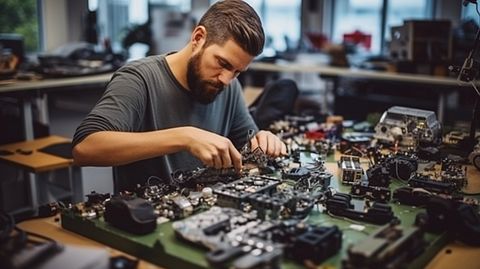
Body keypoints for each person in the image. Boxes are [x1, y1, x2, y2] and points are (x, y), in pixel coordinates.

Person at [72, 0, 287, 192]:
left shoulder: (229, 87)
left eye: (237, 71)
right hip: (145, 222)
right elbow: (85, 148)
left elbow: (247, 148)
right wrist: (184, 137)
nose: (226, 79)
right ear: (198, 37)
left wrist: (262, 142)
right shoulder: (139, 79)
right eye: (223, 63)